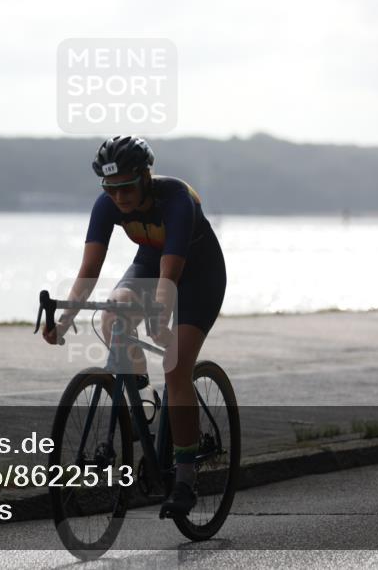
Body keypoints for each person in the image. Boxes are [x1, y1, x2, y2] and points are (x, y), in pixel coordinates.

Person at [41, 135, 227, 518]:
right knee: (112, 316)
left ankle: (186, 477)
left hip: (197, 274)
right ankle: (141, 395)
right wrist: (65, 321)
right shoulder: (106, 205)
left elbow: (169, 276)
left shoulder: (175, 199)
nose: (119, 197)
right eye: (110, 188)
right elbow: (89, 270)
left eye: (126, 186)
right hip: (150, 265)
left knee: (176, 367)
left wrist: (160, 315)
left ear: (145, 176)